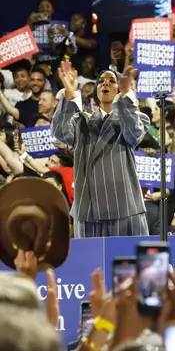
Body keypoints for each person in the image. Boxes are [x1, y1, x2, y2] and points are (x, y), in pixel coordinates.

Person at [52, 60, 150, 237]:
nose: (105, 83)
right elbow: (60, 132)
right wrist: (69, 94)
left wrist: (127, 96)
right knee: (91, 264)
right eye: (101, 81)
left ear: (119, 89)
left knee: (127, 263)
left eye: (112, 81)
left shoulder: (136, 118)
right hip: (87, 211)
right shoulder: (80, 121)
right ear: (97, 92)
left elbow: (134, 134)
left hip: (124, 209)